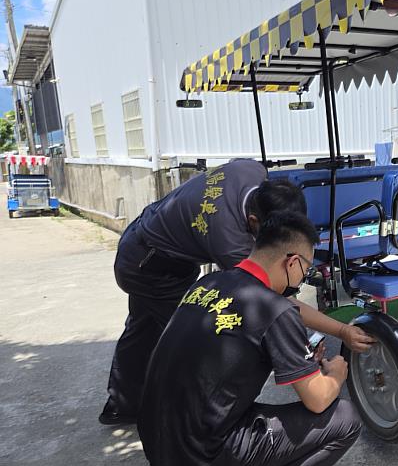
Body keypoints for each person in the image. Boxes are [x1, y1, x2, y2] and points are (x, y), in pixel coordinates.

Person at [137, 211, 362, 466]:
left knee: (210, 394)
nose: (305, 276)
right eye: (307, 268)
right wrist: (335, 374)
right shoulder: (276, 310)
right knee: (344, 419)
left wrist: (325, 337)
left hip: (159, 445)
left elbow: (235, 348)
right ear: (292, 261)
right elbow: (317, 398)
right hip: (199, 461)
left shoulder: (209, 284)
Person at [101, 158, 373, 425]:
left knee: (142, 330)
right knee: (189, 342)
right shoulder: (229, 241)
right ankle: (187, 422)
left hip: (148, 238)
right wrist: (335, 333)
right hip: (149, 263)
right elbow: (276, 302)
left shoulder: (250, 169)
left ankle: (122, 406)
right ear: (255, 222)